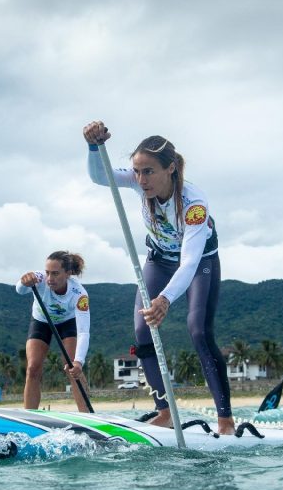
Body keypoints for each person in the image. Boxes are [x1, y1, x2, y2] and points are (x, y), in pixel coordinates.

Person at [83, 120, 235, 435]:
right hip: (158, 260)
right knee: (142, 328)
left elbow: (190, 260)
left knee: (198, 330)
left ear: (170, 169)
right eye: (136, 172)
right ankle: (164, 411)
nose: (141, 179)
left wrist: (165, 298)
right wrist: (93, 146)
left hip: (198, 263)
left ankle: (225, 421)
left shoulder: (194, 203)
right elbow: (101, 177)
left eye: (148, 171)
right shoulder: (140, 183)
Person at [16, 251, 92, 412]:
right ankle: (30, 415)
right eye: (48, 273)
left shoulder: (79, 294)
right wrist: (24, 282)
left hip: (67, 323)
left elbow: (84, 331)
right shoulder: (39, 278)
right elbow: (20, 290)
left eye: (56, 274)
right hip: (41, 321)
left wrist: (79, 361)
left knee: (72, 367)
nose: (50, 278)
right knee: (33, 368)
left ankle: (88, 416)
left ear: (68, 273)